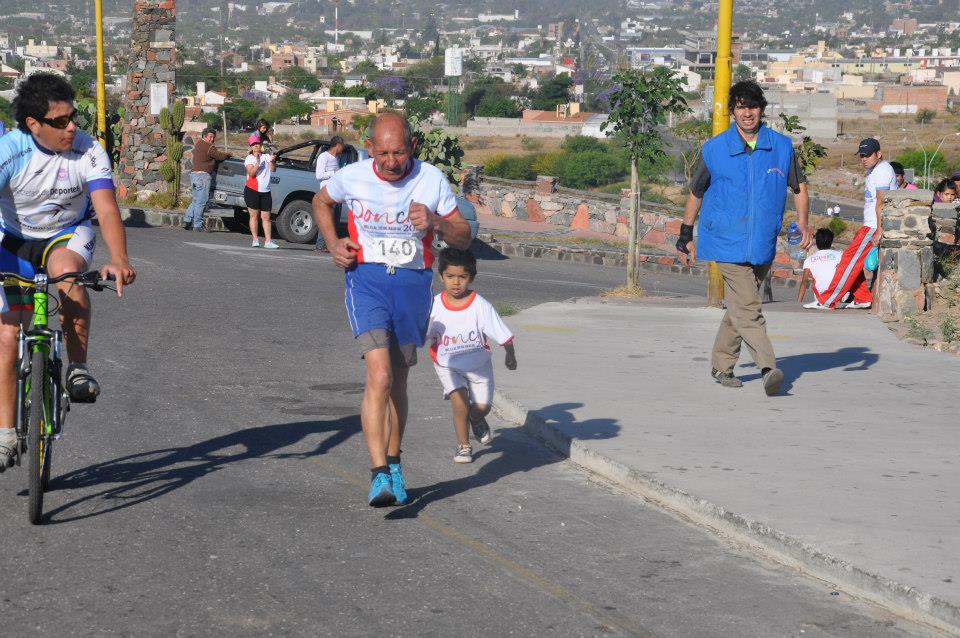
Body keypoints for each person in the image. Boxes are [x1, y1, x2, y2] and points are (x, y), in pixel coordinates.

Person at [311, 112, 472, 507]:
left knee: (398, 380)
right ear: (369, 148)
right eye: (382, 153)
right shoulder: (353, 176)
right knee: (380, 375)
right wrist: (333, 242)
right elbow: (321, 201)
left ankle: (395, 462)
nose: (391, 162)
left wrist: (436, 221)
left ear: (412, 146)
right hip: (366, 280)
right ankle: (378, 472)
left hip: (413, 284)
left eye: (399, 153)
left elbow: (464, 236)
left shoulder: (431, 179)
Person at [0, 73, 136, 468]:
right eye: (60, 122)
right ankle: (5, 433)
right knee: (7, 335)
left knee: (67, 274)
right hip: (14, 240)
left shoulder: (88, 149)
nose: (71, 127)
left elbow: (106, 208)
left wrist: (120, 258)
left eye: (72, 117)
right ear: (33, 124)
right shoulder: (10, 150)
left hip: (66, 233)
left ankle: (77, 367)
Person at [676, 80, 810, 396]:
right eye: (740, 107)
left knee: (739, 307)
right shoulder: (715, 149)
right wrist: (685, 234)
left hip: (762, 241)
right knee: (749, 307)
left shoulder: (781, 147)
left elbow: (799, 188)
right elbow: (696, 192)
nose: (747, 113)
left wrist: (804, 224)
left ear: (761, 109)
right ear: (732, 111)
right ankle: (768, 368)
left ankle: (721, 366)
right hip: (724, 239)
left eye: (752, 106)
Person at [428, 247, 516, 463]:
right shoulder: (434, 305)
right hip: (447, 364)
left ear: (471, 278)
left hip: (478, 365)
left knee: (482, 407)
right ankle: (464, 446)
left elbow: (500, 331)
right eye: (450, 276)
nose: (456, 282)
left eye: (462, 277)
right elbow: (420, 332)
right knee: (460, 402)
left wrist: (510, 353)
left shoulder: (480, 305)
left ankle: (476, 419)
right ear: (441, 277)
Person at [816, 138, 897, 310]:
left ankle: (827, 300)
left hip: (873, 226)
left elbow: (881, 202)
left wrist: (879, 229)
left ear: (879, 154)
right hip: (870, 225)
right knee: (852, 261)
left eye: (868, 155)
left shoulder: (882, 171)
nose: (864, 159)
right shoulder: (874, 170)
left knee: (847, 261)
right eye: (861, 155)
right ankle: (862, 298)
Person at [182, 128, 232, 232]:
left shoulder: (198, 144)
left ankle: (187, 220)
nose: (212, 139)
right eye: (210, 137)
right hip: (203, 176)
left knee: (195, 200)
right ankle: (198, 225)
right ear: (204, 136)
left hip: (194, 175)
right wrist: (228, 154)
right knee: (201, 202)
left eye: (213, 137)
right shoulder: (208, 146)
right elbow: (219, 156)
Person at [797, 228, 844, 310]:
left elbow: (804, 282)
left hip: (819, 297)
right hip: (839, 296)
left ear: (817, 242)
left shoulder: (809, 259)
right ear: (831, 241)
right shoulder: (839, 255)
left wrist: (798, 303)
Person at [244, 134, 278, 249]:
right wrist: (258, 162)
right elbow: (251, 173)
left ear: (261, 145)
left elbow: (273, 169)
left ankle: (268, 241)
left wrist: (272, 161)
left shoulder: (267, 156)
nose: (256, 146)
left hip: (266, 191)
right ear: (251, 146)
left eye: (257, 144)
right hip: (252, 190)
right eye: (253, 144)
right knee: (254, 216)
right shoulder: (249, 158)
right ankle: (255, 239)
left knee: (266, 217)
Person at [313, 136, 344, 252]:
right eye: (342, 146)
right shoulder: (323, 157)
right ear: (338, 145)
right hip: (326, 194)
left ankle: (329, 245)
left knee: (334, 221)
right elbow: (319, 175)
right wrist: (334, 173)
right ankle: (320, 245)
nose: (343, 148)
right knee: (326, 220)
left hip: (337, 194)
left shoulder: (337, 158)